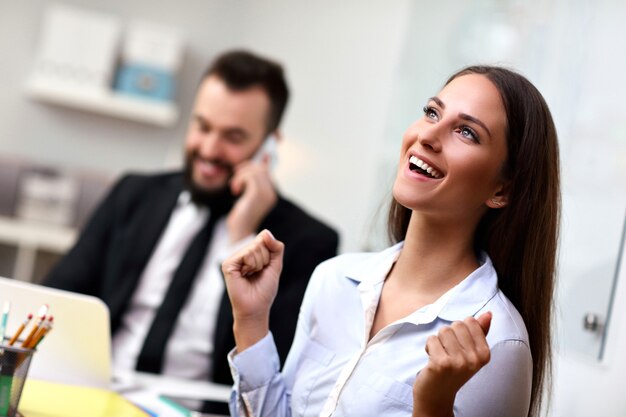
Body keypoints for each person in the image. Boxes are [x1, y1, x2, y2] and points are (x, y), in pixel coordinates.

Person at [222, 65, 560, 417]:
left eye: (466, 132)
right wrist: (250, 321)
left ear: (502, 189)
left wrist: (432, 405)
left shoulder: (498, 341)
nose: (428, 136)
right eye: (432, 113)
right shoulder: (333, 280)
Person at [43, 50, 339, 386]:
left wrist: (242, 237)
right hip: (98, 390)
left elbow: (271, 378)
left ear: (269, 146)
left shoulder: (308, 242)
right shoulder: (134, 194)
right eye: (203, 126)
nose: (210, 150)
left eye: (233, 137)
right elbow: (57, 300)